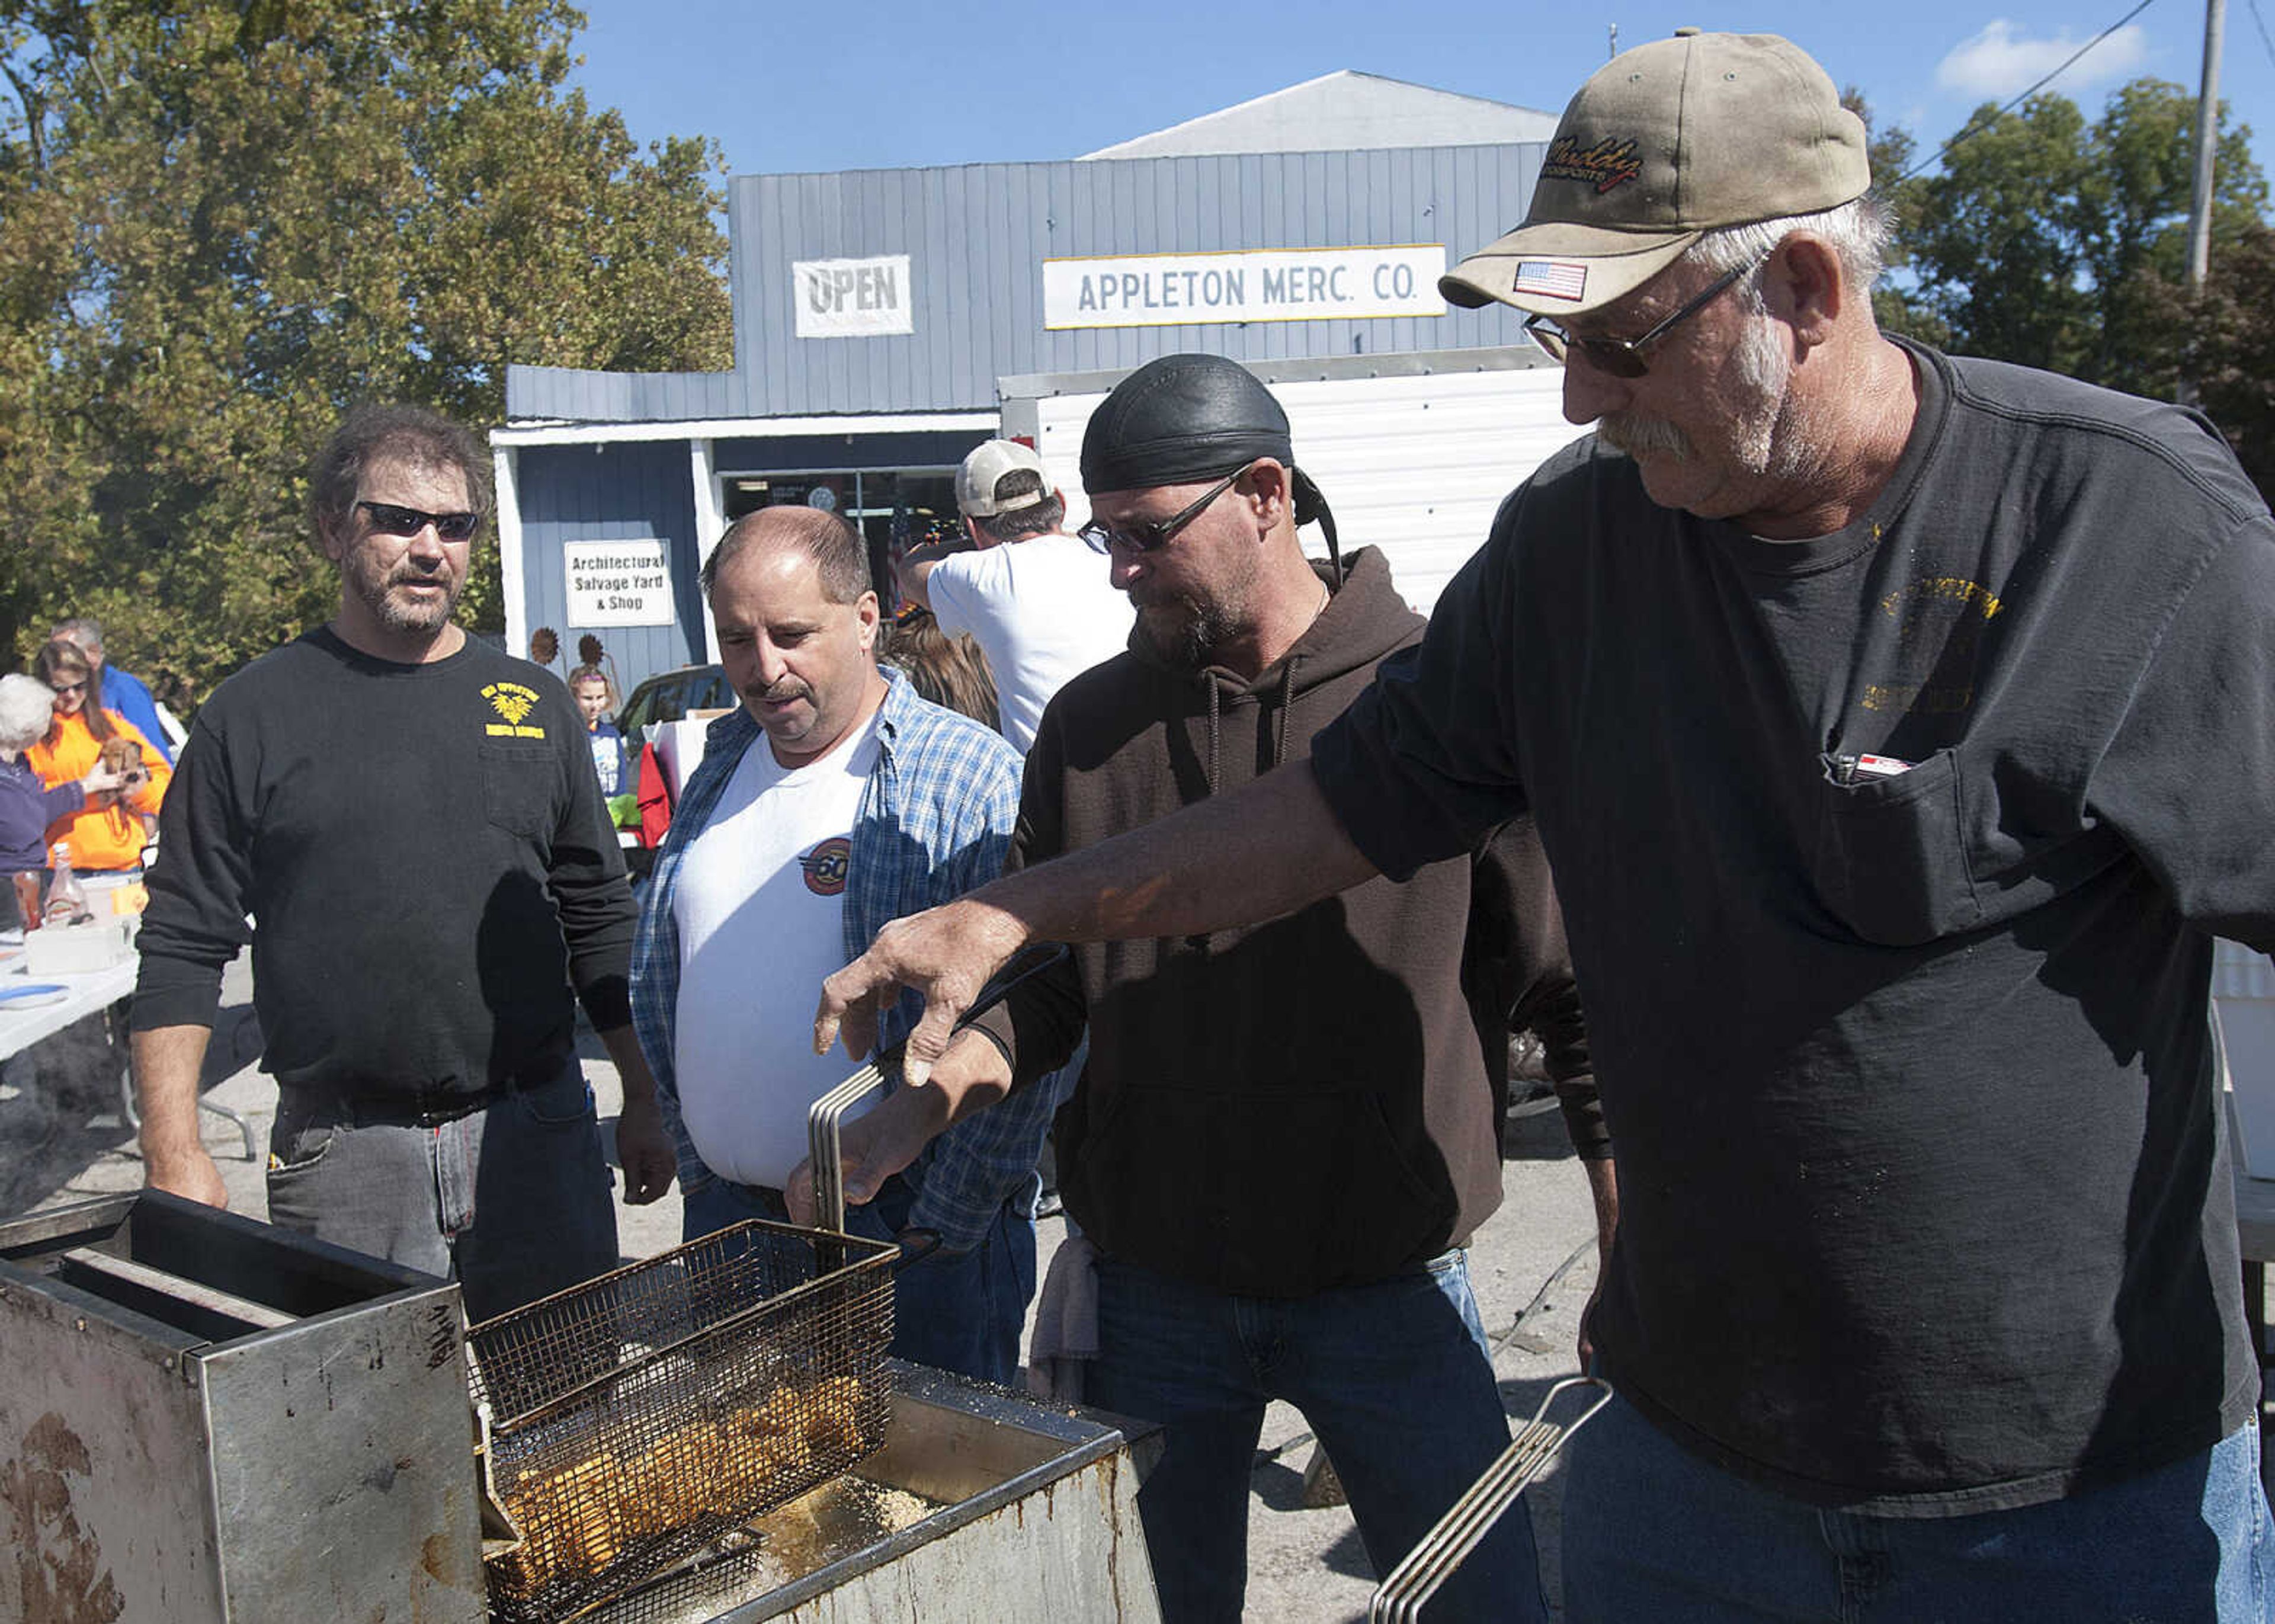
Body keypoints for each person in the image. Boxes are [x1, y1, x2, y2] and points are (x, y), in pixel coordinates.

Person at [815, 31, 2275, 1622]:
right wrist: (1028, 908)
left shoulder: (2125, 524)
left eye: (1624, 340)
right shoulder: (1574, 554)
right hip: (1691, 1467)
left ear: (1802, 285)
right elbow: (1331, 809)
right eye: (1550, 337)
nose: (1579, 393)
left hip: (2066, 1500)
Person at [799, 353, 1607, 1623]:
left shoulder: (1437, 705)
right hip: (1157, 1289)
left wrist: (1630, 1234)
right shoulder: (1090, 724)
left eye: (1142, 534)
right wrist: (930, 1093)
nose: (1115, 567)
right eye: (1101, 533)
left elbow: (1574, 995)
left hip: (1391, 1280)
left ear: (1268, 493)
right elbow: (1055, 981)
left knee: (1485, 1603)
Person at [131, 403, 677, 1323]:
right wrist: (173, 1146)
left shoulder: (534, 705)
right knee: (366, 1454)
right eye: (399, 519)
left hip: (535, 1134)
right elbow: (184, 940)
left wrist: (643, 1093)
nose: (431, 548)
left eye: (456, 526)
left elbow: (597, 913)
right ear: (334, 528)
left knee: (568, 1425)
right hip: (344, 1158)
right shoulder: (251, 715)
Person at [628, 506, 1049, 1386]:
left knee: (926, 1506)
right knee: (759, 1505)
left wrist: (945, 1219)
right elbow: (670, 973)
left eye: (790, 634)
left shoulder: (967, 776)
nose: (763, 667)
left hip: (906, 1239)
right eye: (737, 639)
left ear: (866, 619)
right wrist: (702, 1158)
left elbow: (1041, 1010)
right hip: (732, 1232)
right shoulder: (721, 761)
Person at [897, 440, 1133, 754]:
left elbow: (910, 570)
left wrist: (973, 544)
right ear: (1059, 501)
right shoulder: (1112, 554)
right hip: (1143, 763)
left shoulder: (981, 576)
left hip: (1058, 785)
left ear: (971, 526)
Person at [27, 637, 169, 874]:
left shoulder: (112, 724)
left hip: (123, 863)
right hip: (58, 868)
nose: (71, 696)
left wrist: (137, 789)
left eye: (79, 686)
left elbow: (164, 783)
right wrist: (86, 790)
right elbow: (21, 806)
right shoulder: (29, 736)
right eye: (60, 689)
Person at [0, 675, 123, 929]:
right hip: (8, 888)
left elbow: (35, 808)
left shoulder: (19, 764)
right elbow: (24, 826)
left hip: (33, 878)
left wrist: (87, 786)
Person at [50, 616, 176, 764]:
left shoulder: (124, 689)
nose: (57, 663)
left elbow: (154, 757)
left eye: (66, 654)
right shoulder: (67, 697)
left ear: (94, 654)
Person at [569, 664, 631, 800]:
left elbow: (621, 772)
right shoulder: (570, 734)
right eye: (588, 698)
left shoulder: (612, 734)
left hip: (614, 807)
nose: (595, 705)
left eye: (600, 697)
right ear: (574, 698)